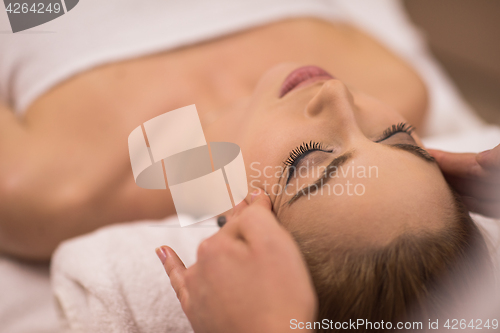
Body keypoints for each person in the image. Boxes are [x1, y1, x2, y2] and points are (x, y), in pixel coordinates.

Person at [157, 145, 500, 332]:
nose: (335, 92)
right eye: (400, 138)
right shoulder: (404, 85)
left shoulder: (131, 177)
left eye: (302, 160)